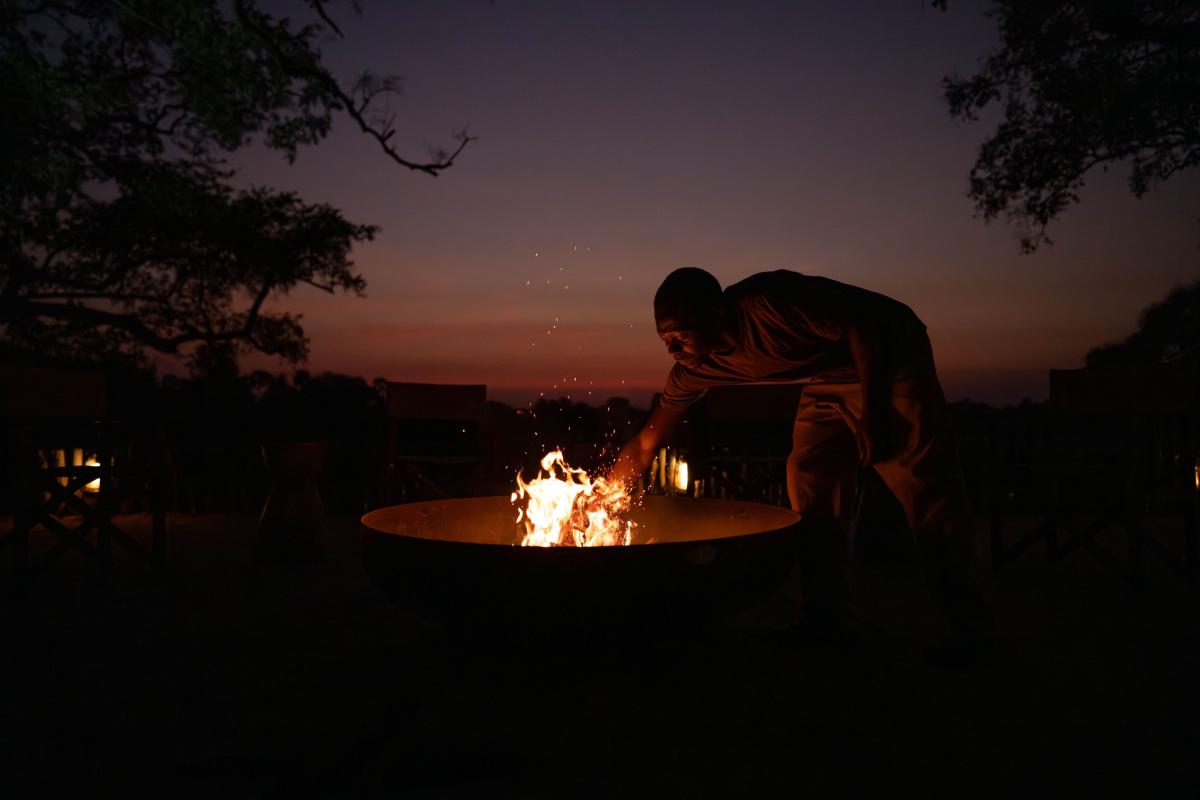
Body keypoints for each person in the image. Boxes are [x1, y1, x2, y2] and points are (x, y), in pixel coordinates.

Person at [610, 267, 992, 654]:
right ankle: (826, 617)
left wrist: (874, 412)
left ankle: (973, 627)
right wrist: (608, 495)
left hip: (889, 354)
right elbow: (645, 444)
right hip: (828, 376)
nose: (673, 350)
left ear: (716, 314)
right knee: (808, 476)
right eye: (665, 340)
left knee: (924, 486)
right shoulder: (693, 370)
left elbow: (861, 326)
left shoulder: (769, 303)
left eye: (680, 336)